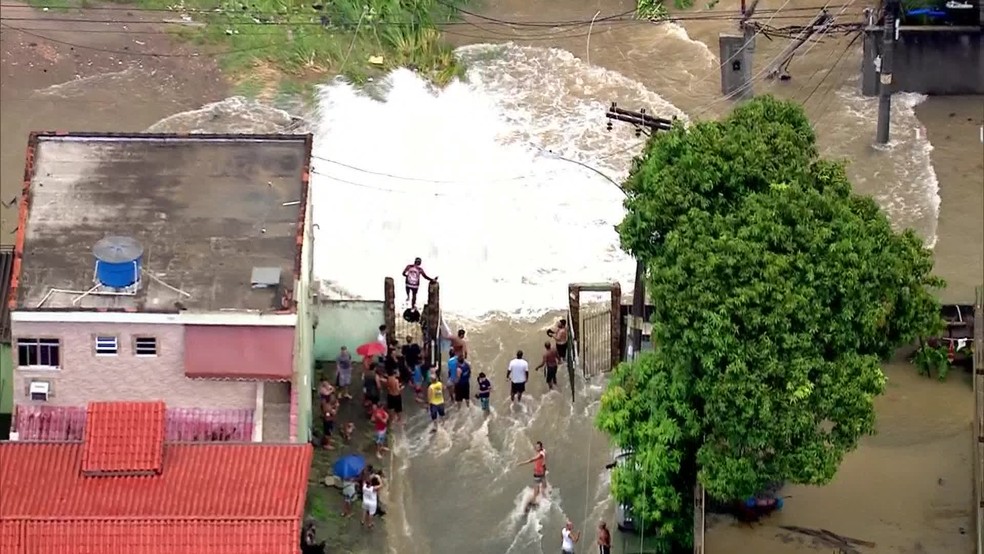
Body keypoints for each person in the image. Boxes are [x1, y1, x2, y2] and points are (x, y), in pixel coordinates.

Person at [517, 441, 548, 506]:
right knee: (539, 489)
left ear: (541, 447)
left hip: (540, 474)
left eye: (538, 447)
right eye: (536, 447)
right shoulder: (543, 451)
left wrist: (522, 463)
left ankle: (535, 501)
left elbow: (532, 460)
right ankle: (535, 501)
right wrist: (544, 468)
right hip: (539, 474)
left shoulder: (540, 454)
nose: (537, 448)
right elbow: (543, 462)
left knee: (541, 488)